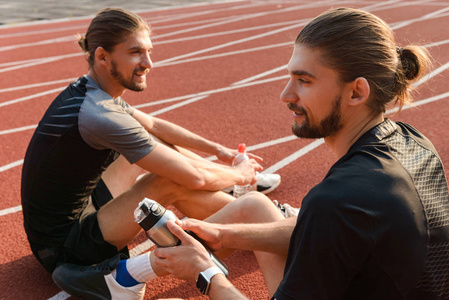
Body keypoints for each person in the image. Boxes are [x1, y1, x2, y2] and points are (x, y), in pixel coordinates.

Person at [152, 7, 449, 300]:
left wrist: (205, 273)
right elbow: (329, 230)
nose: (286, 94)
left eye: (304, 81)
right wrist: (226, 235)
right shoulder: (415, 143)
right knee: (255, 205)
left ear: (356, 92)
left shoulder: (338, 200)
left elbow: (332, 218)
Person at [20, 7, 282, 299]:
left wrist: (221, 152)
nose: (148, 63)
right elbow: (193, 176)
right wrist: (239, 174)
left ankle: (246, 214)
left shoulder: (94, 92)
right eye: (135, 53)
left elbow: (155, 125)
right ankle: (249, 217)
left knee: (152, 145)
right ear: (102, 56)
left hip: (78, 211)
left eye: (148, 51)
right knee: (168, 180)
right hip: (63, 247)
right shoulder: (98, 115)